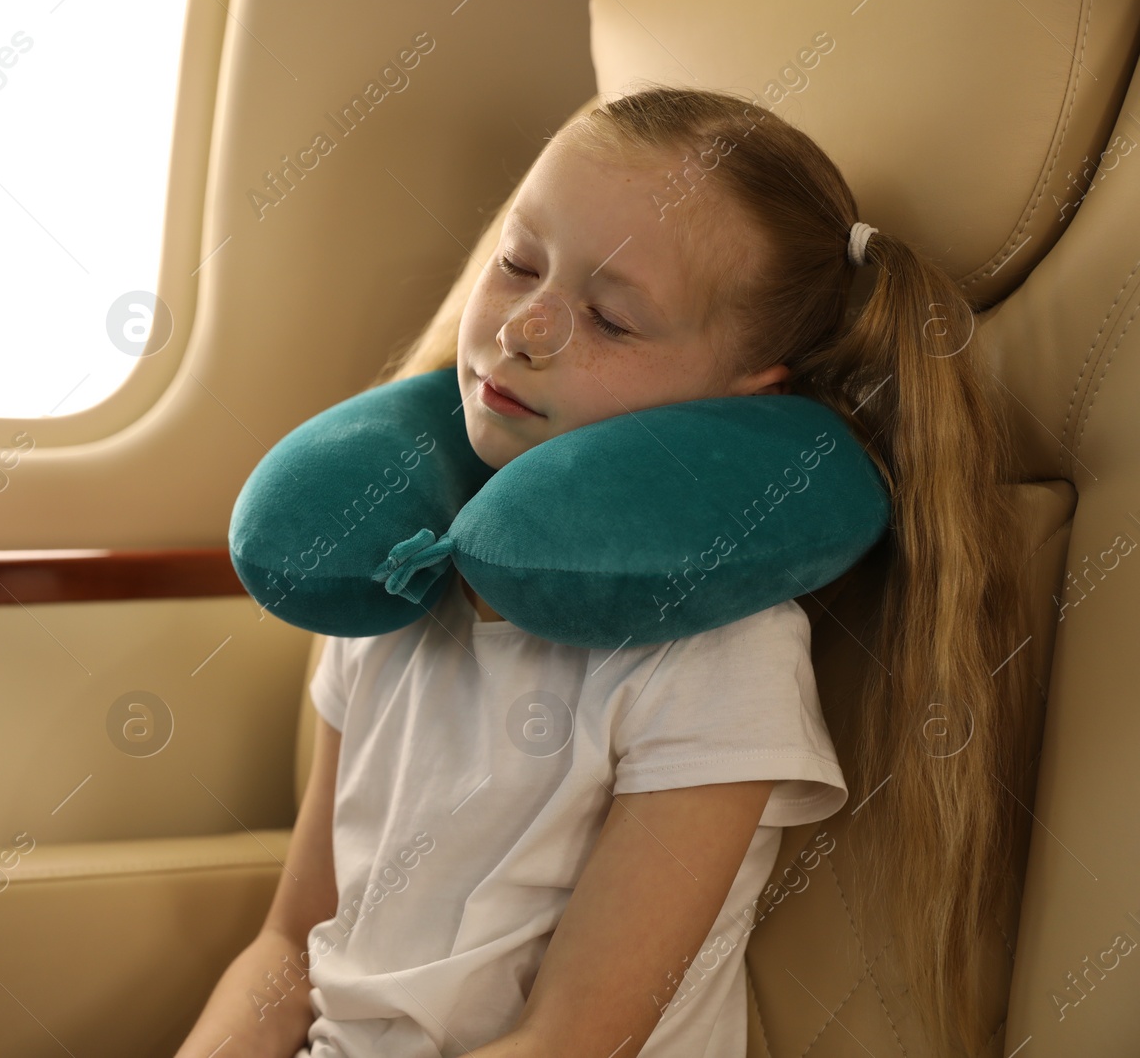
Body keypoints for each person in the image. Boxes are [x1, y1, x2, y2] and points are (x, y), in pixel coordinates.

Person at [176, 84, 1035, 1058]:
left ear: (744, 401)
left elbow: (572, 1038)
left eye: (612, 320)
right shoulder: (399, 573)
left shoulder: (718, 661)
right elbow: (288, 945)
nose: (523, 330)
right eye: (516, 263)